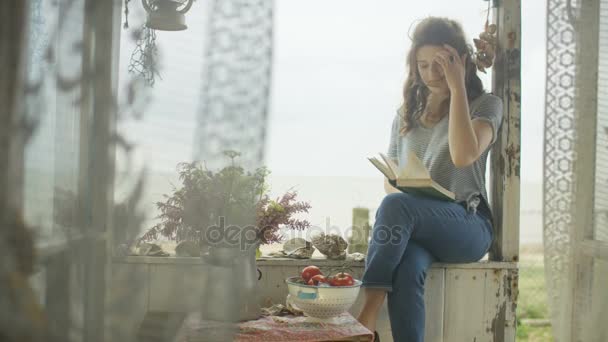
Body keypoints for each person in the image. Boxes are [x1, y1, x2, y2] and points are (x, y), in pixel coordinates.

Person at [356, 17, 503, 342]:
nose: (431, 74)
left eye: (441, 64)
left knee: (397, 207)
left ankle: (365, 321)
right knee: (407, 265)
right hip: (419, 227)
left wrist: (457, 88)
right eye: (423, 65)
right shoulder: (406, 112)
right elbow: (391, 183)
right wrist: (407, 187)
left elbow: (464, 155)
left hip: (468, 225)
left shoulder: (486, 104)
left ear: (460, 61)